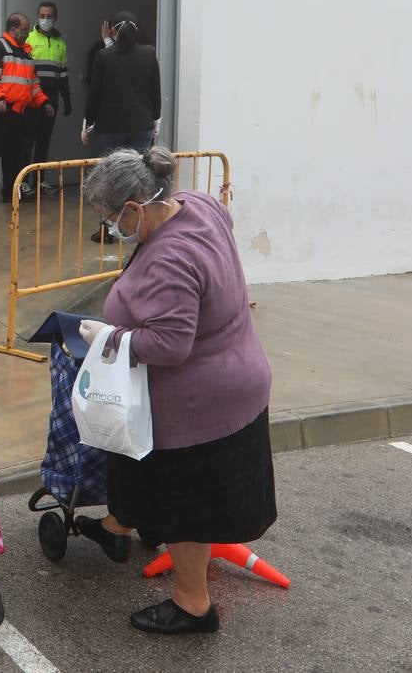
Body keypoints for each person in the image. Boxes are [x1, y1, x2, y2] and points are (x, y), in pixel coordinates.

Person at [78, 147, 276, 635]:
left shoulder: (170, 259)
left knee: (189, 507)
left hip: (198, 405)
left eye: (111, 217)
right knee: (166, 488)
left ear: (134, 209)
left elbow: (168, 345)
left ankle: (193, 604)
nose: (111, 228)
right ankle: (120, 527)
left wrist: (108, 338)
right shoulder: (198, 205)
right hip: (239, 374)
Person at [82, 11, 162, 241]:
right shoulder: (148, 54)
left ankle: (107, 229)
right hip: (141, 124)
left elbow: (94, 94)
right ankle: (138, 228)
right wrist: (154, 118)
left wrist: (88, 123)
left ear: (113, 31)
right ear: (136, 31)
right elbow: (155, 90)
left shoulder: (104, 56)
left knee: (107, 179)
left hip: (110, 127)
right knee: (138, 179)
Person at [0, 12, 54, 206]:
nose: (27, 32)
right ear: (13, 29)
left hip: (17, 111)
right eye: (25, 29)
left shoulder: (26, 52)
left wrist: (44, 102)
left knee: (13, 154)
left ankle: (10, 192)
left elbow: (33, 84)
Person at [25, 1, 71, 194]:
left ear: (55, 17)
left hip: (52, 97)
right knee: (28, 140)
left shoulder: (60, 42)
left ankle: (39, 180)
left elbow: (63, 74)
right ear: (37, 16)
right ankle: (24, 182)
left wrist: (67, 99)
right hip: (32, 96)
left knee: (44, 140)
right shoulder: (29, 39)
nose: (46, 19)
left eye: (49, 16)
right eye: (42, 16)